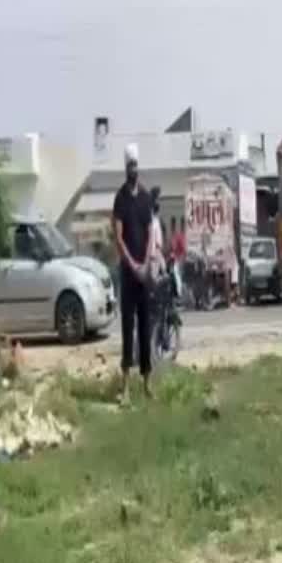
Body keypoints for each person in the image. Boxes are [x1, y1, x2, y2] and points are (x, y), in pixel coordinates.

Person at [111, 144, 154, 402]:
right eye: (130, 166)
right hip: (128, 275)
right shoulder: (120, 199)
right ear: (125, 168)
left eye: (135, 165)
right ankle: (126, 388)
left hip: (144, 273)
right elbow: (117, 236)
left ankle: (147, 384)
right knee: (128, 328)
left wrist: (146, 262)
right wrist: (132, 264)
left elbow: (150, 233)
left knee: (146, 328)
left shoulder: (146, 197)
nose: (133, 170)